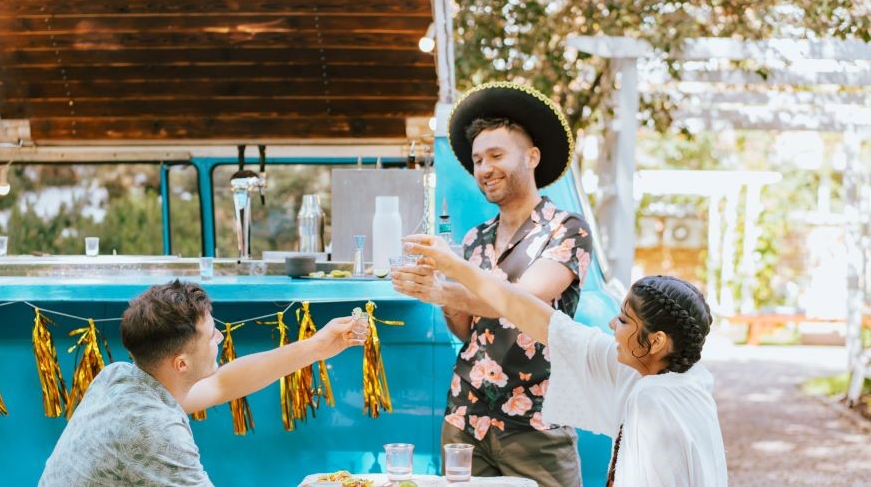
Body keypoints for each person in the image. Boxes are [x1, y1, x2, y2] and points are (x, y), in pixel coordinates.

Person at [404, 234, 729, 486]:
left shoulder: (656, 400)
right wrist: (453, 267)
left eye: (625, 321)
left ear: (656, 341)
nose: (612, 324)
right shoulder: (662, 374)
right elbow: (537, 316)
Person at [392, 82, 592, 485]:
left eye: (496, 155)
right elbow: (466, 328)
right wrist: (441, 294)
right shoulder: (475, 238)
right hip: (465, 417)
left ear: (532, 157)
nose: (484, 168)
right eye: (478, 159)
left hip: (538, 422)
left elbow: (521, 302)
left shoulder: (566, 230)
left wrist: (447, 281)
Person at [39, 280, 363, 486]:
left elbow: (223, 384)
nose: (220, 338)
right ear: (181, 363)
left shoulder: (119, 377)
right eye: (212, 335)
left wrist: (317, 347)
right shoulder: (156, 431)